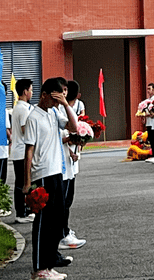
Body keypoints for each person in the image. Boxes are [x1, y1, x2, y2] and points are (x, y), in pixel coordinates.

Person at [23, 77, 78, 280]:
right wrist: (27, 183)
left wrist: (64, 104)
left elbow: (74, 127)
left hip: (57, 172)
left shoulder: (54, 112)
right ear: (44, 95)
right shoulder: (33, 117)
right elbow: (29, 151)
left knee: (56, 219)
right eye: (53, 99)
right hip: (42, 173)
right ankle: (39, 268)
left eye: (58, 99)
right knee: (43, 221)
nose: (55, 103)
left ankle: (49, 263)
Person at [54, 79, 86, 256]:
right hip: (61, 164)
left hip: (70, 160)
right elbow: (57, 137)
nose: (64, 94)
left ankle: (65, 231)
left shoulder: (66, 110)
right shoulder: (55, 111)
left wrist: (78, 146)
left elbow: (73, 129)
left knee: (68, 200)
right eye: (62, 91)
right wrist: (69, 140)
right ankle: (62, 234)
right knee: (63, 202)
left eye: (66, 90)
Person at [11, 79, 35, 224]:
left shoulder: (19, 107)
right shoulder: (24, 109)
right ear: (25, 92)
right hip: (22, 151)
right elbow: (25, 129)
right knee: (22, 183)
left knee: (21, 182)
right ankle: (21, 212)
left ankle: (23, 211)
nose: (31, 92)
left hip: (18, 150)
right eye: (31, 90)